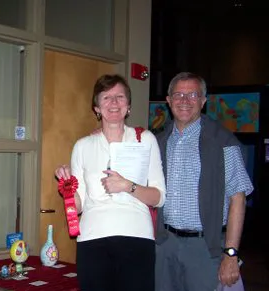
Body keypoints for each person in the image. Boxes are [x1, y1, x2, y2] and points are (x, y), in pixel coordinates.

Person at [55, 74, 166, 291]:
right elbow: (77, 207)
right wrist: (68, 188)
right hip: (92, 239)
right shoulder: (82, 146)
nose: (113, 103)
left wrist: (128, 186)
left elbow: (160, 197)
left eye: (120, 97)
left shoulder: (145, 139)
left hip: (137, 237)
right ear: (96, 108)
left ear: (128, 105)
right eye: (106, 97)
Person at [155, 72, 253, 291]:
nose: (185, 100)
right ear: (169, 101)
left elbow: (238, 198)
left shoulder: (223, 143)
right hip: (164, 243)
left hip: (204, 247)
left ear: (203, 101)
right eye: (178, 94)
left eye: (193, 95)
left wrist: (230, 254)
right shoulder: (158, 141)